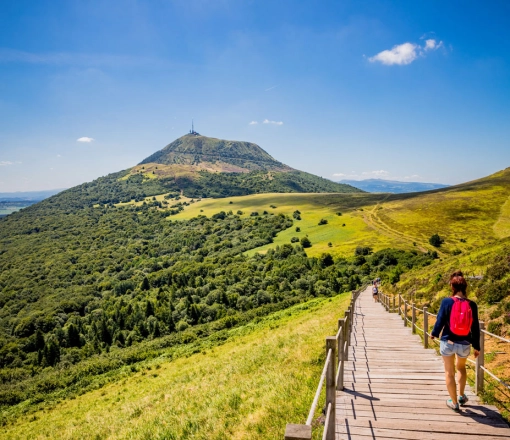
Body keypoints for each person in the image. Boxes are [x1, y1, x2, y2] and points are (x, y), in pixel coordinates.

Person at [431, 270, 480, 412]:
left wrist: (434, 333)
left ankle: (453, 403)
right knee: (461, 368)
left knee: (449, 372)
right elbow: (475, 327)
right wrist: (477, 346)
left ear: (452, 287)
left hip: (448, 341)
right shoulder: (472, 305)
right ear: (465, 287)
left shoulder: (446, 301)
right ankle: (461, 396)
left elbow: (440, 320)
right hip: (464, 343)